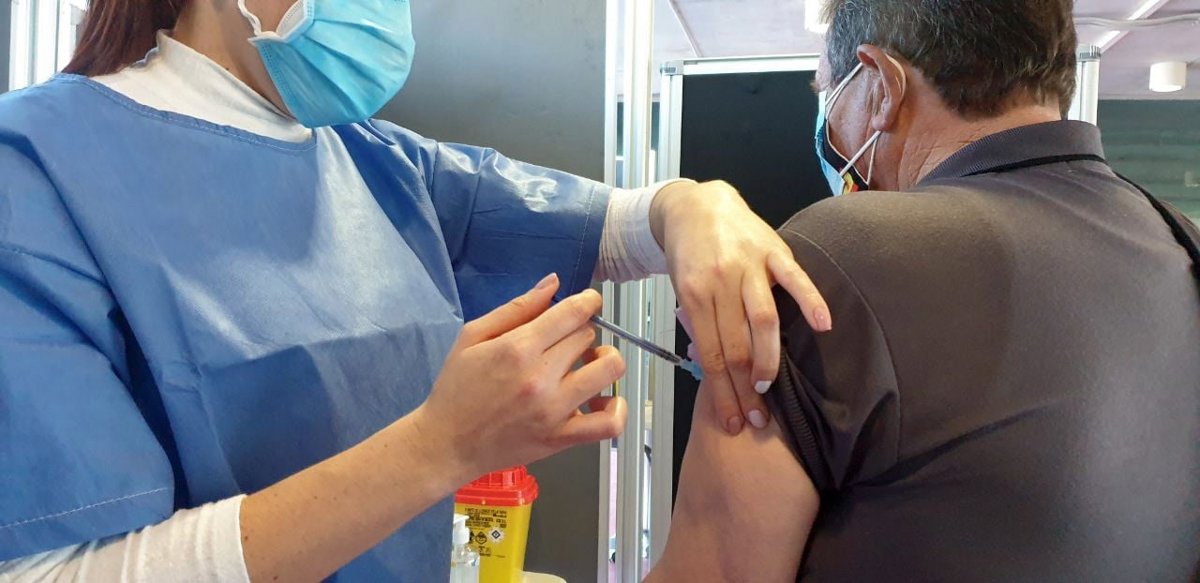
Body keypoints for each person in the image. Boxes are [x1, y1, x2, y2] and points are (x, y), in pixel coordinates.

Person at [0, 1, 834, 581]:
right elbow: (52, 570)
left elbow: (616, 225)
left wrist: (691, 206)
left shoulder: (376, 161)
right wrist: (438, 447)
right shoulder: (38, 168)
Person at [648, 0, 1200, 581]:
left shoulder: (832, 259)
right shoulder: (1180, 244)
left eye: (828, 93)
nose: (828, 122)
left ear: (881, 85)